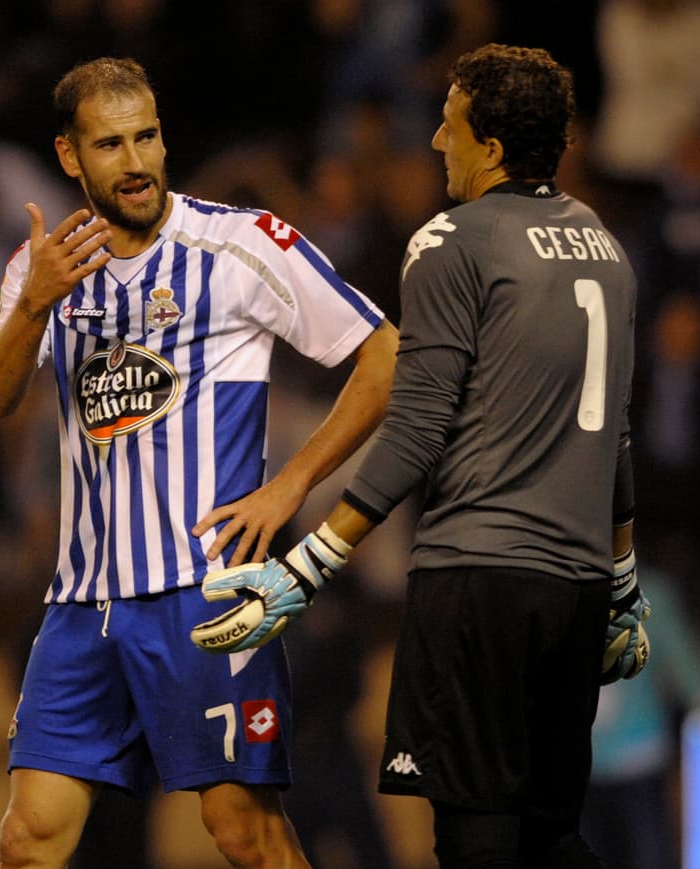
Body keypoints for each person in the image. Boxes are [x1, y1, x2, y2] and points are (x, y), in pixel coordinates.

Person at [192, 44, 645, 869]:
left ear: (493, 148)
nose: (437, 140)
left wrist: (308, 564)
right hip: (575, 591)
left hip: (477, 587)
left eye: (450, 122)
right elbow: (612, 433)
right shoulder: (605, 248)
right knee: (553, 834)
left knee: (476, 841)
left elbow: (416, 424)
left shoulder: (450, 239)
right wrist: (621, 582)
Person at [0, 57, 398, 868]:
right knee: (28, 837)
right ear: (70, 157)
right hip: (82, 602)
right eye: (109, 145)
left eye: (147, 137)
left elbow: (383, 354)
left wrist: (291, 483)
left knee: (245, 833)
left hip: (202, 595)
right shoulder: (40, 269)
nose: (134, 162)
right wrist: (35, 303)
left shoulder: (239, 245)